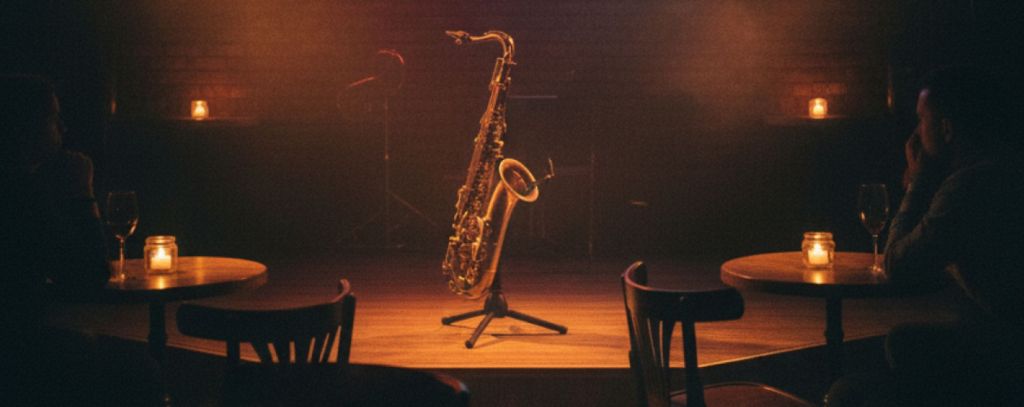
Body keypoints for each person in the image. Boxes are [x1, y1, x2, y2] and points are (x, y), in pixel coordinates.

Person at [826, 66, 1024, 406]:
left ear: (946, 129)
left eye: (921, 120)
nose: (916, 133)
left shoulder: (967, 188)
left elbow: (897, 264)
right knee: (903, 340)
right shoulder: (1006, 168)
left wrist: (919, 181)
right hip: (1003, 338)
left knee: (849, 391)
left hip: (1007, 352)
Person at [1, 74, 160, 406]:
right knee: (137, 368)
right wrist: (82, 193)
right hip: (18, 352)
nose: (63, 127)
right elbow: (89, 275)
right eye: (54, 117)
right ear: (27, 126)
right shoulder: (19, 191)